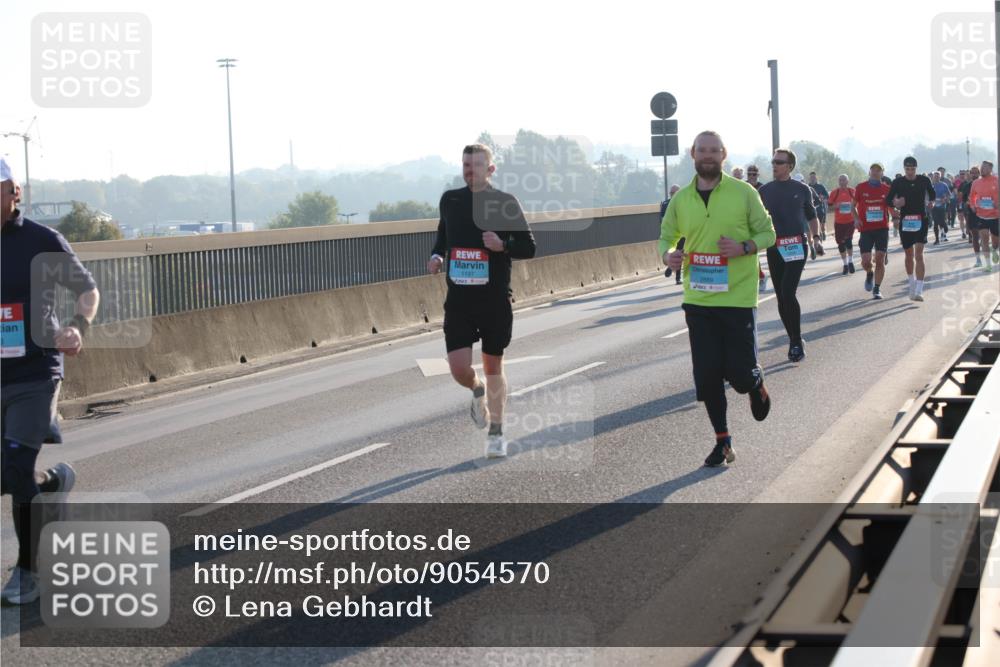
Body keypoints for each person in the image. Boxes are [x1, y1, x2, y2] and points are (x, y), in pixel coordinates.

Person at [2, 157, 98, 605]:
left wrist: (78, 325)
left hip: (34, 373)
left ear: (13, 192)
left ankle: (28, 571)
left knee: (17, 466)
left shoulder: (42, 241)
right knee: (13, 474)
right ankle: (51, 486)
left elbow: (87, 289)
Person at [660, 131, 774, 467]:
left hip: (737, 299)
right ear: (693, 154)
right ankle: (723, 441)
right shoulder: (681, 199)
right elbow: (667, 236)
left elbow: (769, 233)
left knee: (739, 376)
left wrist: (743, 248)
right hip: (698, 300)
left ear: (724, 154)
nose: (708, 156)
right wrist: (669, 255)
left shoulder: (743, 193)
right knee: (708, 375)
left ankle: (756, 384)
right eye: (702, 150)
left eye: (714, 150)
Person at [429, 144, 536, 459]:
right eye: (465, 164)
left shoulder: (505, 203)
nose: (469, 170)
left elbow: (528, 247)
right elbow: (443, 236)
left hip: (493, 301)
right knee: (460, 369)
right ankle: (476, 391)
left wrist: (502, 245)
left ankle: (496, 432)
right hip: (460, 300)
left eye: (475, 165)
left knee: (493, 367)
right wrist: (436, 255)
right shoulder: (451, 200)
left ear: (490, 169)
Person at [759, 148, 819, 362]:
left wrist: (816, 237)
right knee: (781, 297)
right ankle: (793, 337)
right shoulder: (764, 191)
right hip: (774, 248)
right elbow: (755, 220)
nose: (774, 165)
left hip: (796, 246)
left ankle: (796, 341)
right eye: (773, 161)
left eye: (779, 162)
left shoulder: (802, 189)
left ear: (790, 166)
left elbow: (812, 216)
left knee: (787, 291)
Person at [887, 156, 935, 302]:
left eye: (912, 169)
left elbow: (932, 194)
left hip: (921, 220)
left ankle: (919, 290)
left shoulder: (924, 180)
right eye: (907, 169)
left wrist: (931, 202)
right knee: (909, 256)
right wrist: (896, 202)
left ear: (916, 168)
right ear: (904, 169)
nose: (910, 172)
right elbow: (888, 199)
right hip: (906, 221)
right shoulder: (898, 182)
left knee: (919, 255)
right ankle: (911, 284)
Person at [854, 163, 892, 299]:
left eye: (878, 170)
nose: (875, 172)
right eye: (873, 170)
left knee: (880, 259)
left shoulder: (887, 189)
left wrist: (897, 214)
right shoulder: (860, 187)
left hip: (882, 228)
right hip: (866, 229)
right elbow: (853, 206)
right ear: (869, 172)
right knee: (865, 261)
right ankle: (869, 272)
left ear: (882, 173)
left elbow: (891, 208)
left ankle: (877, 288)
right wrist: (856, 219)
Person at [969, 160, 1000, 272]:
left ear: (991, 169)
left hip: (996, 216)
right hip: (981, 216)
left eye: (985, 168)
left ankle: (994, 249)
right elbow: (972, 197)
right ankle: (988, 265)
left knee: (996, 242)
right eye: (982, 167)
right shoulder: (976, 183)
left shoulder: (997, 181)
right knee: (984, 238)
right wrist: (973, 205)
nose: (982, 170)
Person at [745, 166, 769, 291]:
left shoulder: (763, 188)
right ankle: (758, 276)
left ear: (758, 175)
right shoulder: (742, 187)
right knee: (747, 252)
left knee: (752, 250)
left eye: (754, 174)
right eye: (750, 174)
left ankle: (760, 276)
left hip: (758, 222)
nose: (752, 176)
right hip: (744, 222)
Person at [827, 174, 857, 274]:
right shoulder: (835, 193)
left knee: (848, 241)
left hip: (850, 221)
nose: (842, 182)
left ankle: (851, 262)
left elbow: (859, 203)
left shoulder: (852, 191)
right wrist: (837, 206)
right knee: (840, 244)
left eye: (844, 180)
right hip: (839, 222)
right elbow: (829, 207)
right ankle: (845, 264)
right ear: (838, 182)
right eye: (840, 180)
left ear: (847, 181)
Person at [960, 166, 984, 266]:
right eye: (972, 173)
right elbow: (963, 199)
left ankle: (986, 247)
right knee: (974, 236)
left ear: (979, 173)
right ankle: (978, 259)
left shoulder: (984, 183)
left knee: (984, 235)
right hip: (972, 213)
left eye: (976, 172)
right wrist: (967, 203)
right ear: (970, 174)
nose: (974, 174)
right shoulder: (967, 185)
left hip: (984, 213)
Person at [660, 184, 682, 284]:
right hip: (670, 234)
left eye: (675, 193)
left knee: (679, 254)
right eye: (671, 193)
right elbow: (661, 219)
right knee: (672, 252)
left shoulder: (684, 203)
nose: (673, 195)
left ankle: (678, 278)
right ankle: (670, 265)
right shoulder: (665, 204)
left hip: (682, 233)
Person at [930, 172, 950, 244]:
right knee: (935, 222)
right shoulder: (931, 185)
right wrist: (930, 201)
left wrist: (945, 199)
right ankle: (937, 239)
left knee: (942, 220)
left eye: (938, 176)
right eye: (935, 176)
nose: (936, 178)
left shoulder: (944, 185)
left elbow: (948, 195)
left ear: (940, 177)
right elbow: (927, 195)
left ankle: (945, 227)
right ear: (933, 177)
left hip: (942, 205)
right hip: (933, 206)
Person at [809, 172, 830, 240]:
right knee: (814, 221)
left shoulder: (821, 186)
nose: (812, 179)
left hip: (820, 207)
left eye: (814, 177)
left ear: (816, 178)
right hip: (811, 208)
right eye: (811, 177)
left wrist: (823, 197)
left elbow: (827, 196)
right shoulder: (807, 186)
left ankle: (823, 232)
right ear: (809, 178)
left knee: (822, 223)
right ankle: (819, 234)